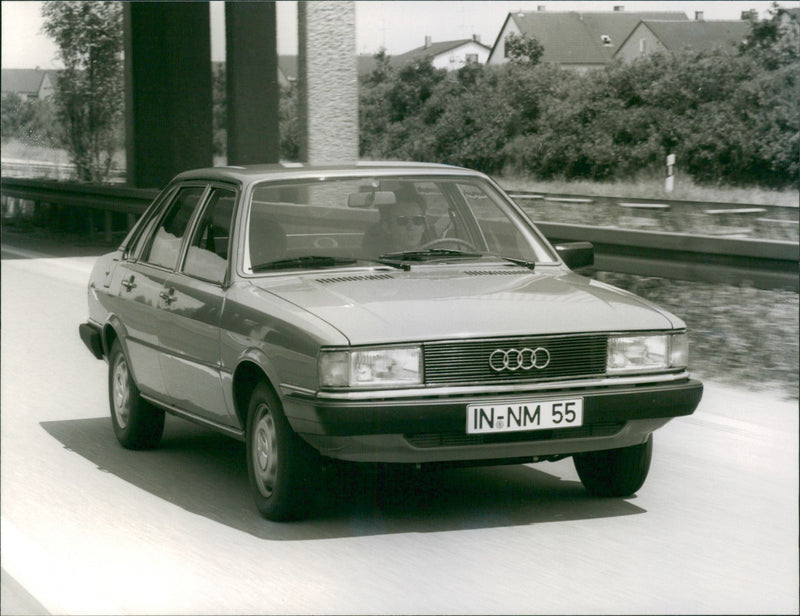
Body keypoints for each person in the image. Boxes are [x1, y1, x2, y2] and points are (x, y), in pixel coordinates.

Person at [363, 200, 430, 255]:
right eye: (403, 221)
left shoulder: (437, 256)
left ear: (424, 226)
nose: (411, 227)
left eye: (417, 220)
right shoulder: (376, 262)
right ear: (387, 228)